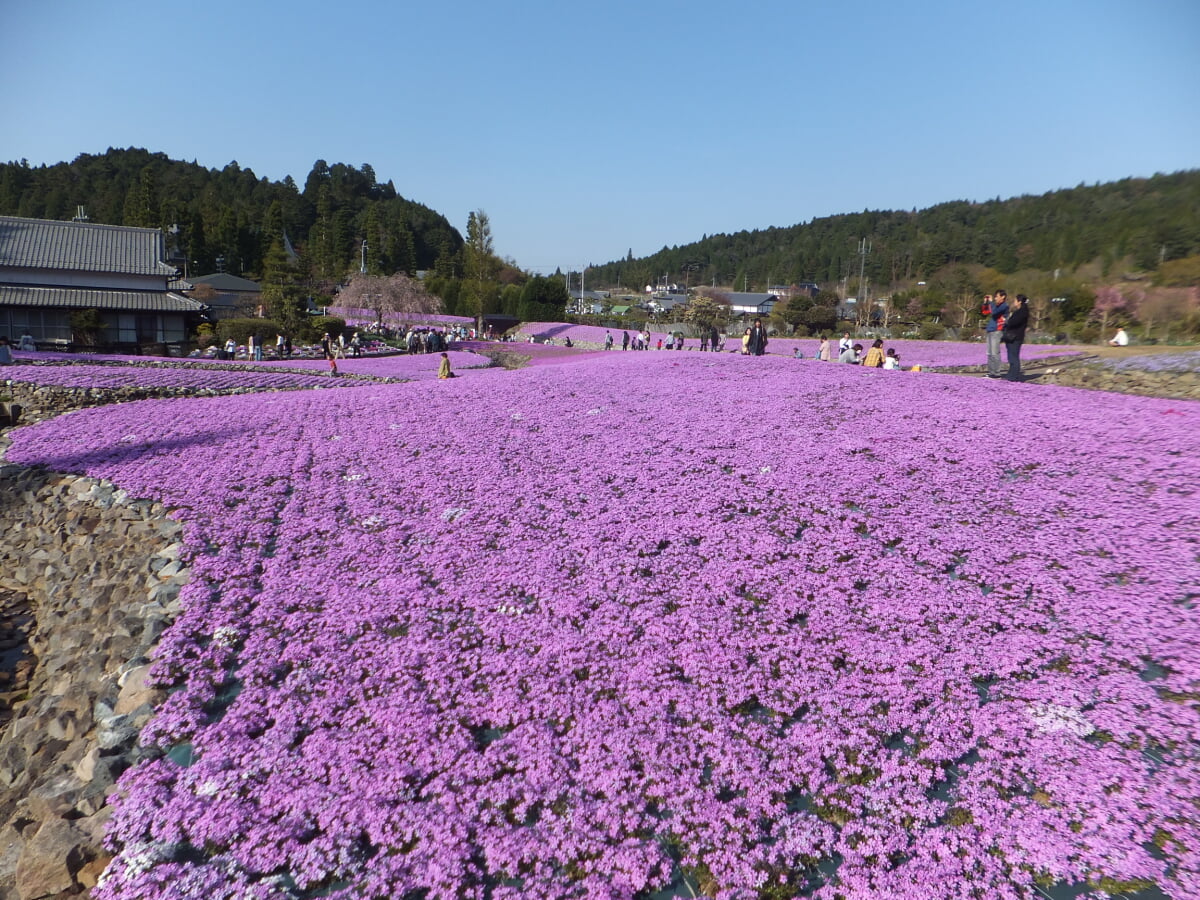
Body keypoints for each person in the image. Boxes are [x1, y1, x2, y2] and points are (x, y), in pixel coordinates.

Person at [1001, 293, 1030, 381]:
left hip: (1015, 337)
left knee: (1013, 357)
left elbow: (1014, 322)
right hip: (1013, 336)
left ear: (1019, 301)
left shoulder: (1022, 312)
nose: (1014, 302)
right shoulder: (1021, 311)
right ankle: (1011, 374)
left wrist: (1006, 321)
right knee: (1011, 356)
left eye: (1015, 300)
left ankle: (1013, 376)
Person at [985, 290, 1009, 378]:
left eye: (997, 296)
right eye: (994, 297)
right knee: (989, 353)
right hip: (990, 329)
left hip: (997, 330)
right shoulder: (996, 305)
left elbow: (994, 312)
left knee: (995, 352)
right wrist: (986, 303)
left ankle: (996, 373)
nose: (995, 298)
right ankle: (991, 372)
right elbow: (986, 312)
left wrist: (991, 302)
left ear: (1003, 297)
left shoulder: (1004, 306)